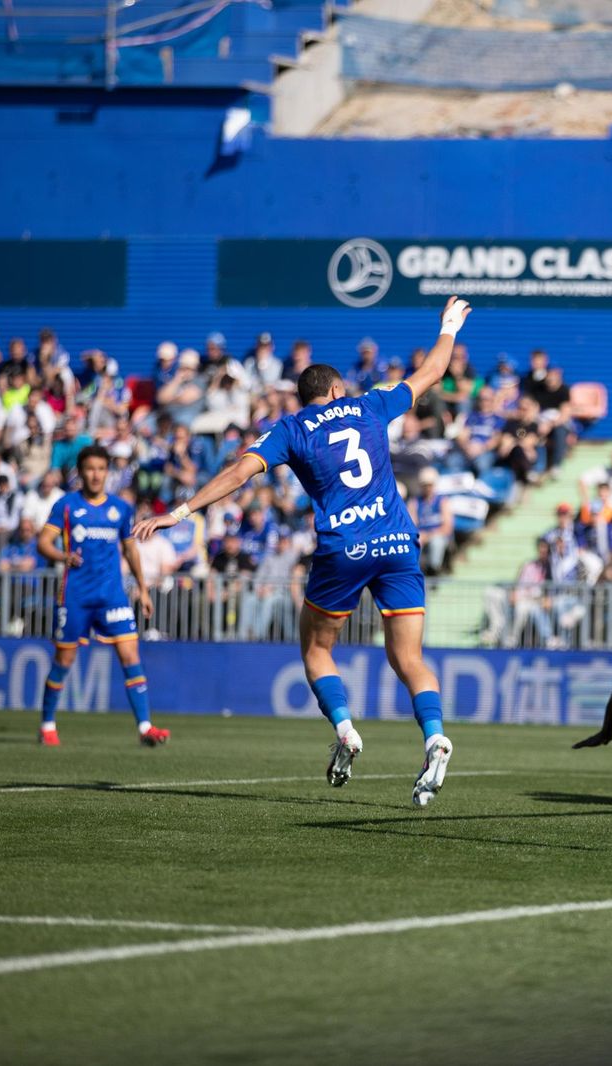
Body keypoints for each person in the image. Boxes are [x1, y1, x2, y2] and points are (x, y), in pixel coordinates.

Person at [133, 298, 473, 806]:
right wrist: (448, 325)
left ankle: (345, 730)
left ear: (306, 395)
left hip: (344, 546)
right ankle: (434, 736)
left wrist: (180, 512)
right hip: (399, 542)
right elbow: (433, 370)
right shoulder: (370, 404)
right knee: (408, 656)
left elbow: (237, 473)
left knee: (317, 650)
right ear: (337, 389)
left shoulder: (290, 429)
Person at [34, 445, 165, 747]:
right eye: (90, 469)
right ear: (80, 472)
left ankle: (145, 727)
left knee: (131, 656)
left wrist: (143, 589)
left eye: (101, 469)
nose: (96, 475)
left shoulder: (120, 508)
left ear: (108, 472)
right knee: (64, 660)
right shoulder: (66, 506)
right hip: (76, 596)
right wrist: (62, 555)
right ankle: (47, 724)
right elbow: (43, 542)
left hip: (112, 596)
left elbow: (131, 549)